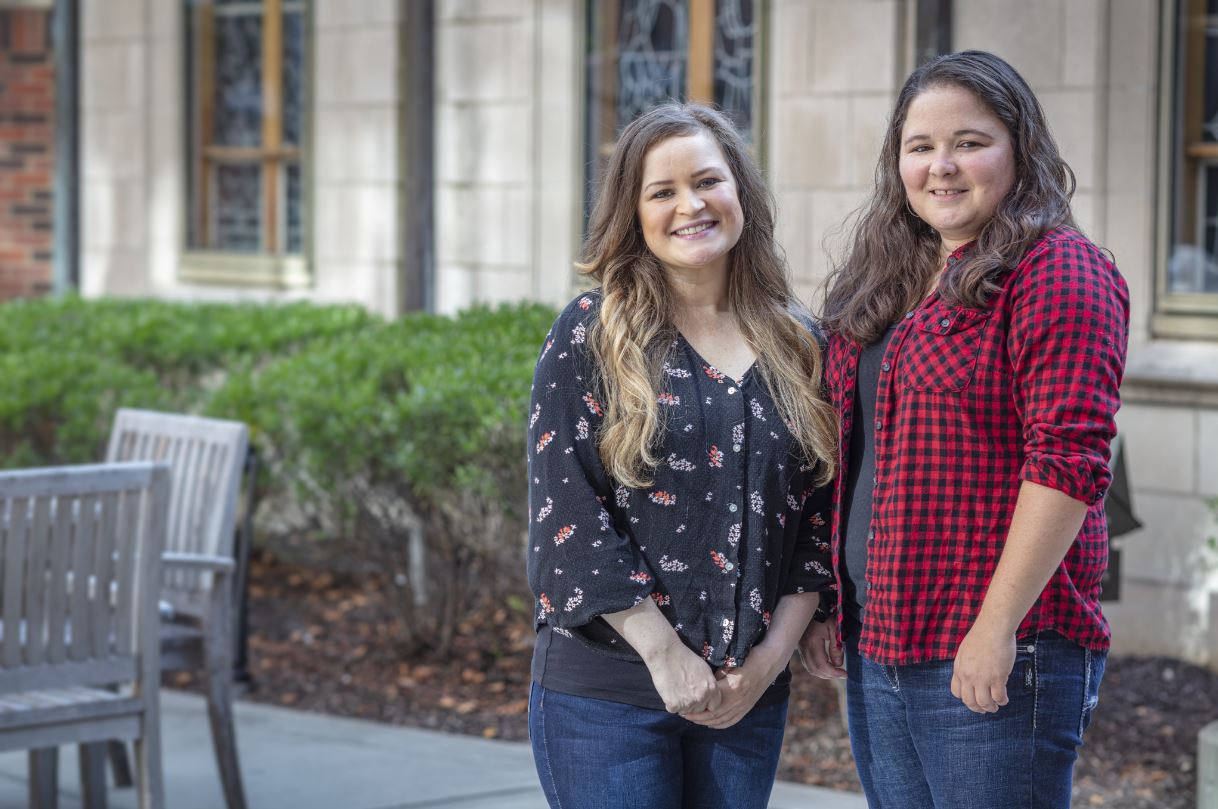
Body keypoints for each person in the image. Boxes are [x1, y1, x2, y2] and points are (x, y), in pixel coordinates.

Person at [798, 50, 1129, 808]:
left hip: (997, 646)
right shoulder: (890, 276)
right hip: (880, 637)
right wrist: (830, 604)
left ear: (1020, 148)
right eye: (920, 146)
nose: (941, 166)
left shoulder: (1058, 271)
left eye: (969, 143)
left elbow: (1068, 464)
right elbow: (850, 451)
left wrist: (995, 627)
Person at [526, 102, 837, 809]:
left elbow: (817, 520)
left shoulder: (799, 343)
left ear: (740, 193)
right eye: (662, 191)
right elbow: (567, 513)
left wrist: (767, 664)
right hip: (606, 697)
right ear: (632, 214)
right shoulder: (592, 333)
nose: (690, 206)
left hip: (745, 701)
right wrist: (665, 655)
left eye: (707, 181)